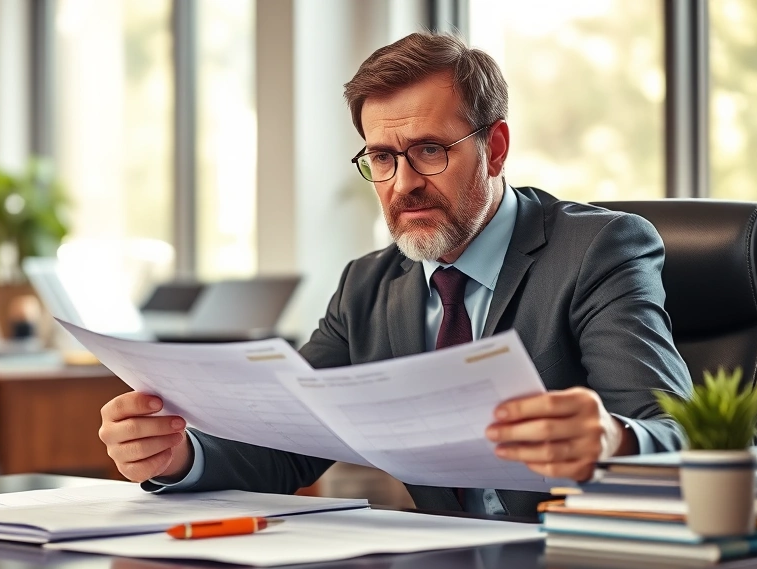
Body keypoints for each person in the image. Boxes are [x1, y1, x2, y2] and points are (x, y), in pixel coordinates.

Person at [98, 32, 692, 518]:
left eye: (430, 149)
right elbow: (289, 445)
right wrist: (177, 455)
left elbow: (685, 440)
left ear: (497, 147)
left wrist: (614, 439)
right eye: (382, 157)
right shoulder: (367, 287)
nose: (403, 183)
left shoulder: (598, 250)